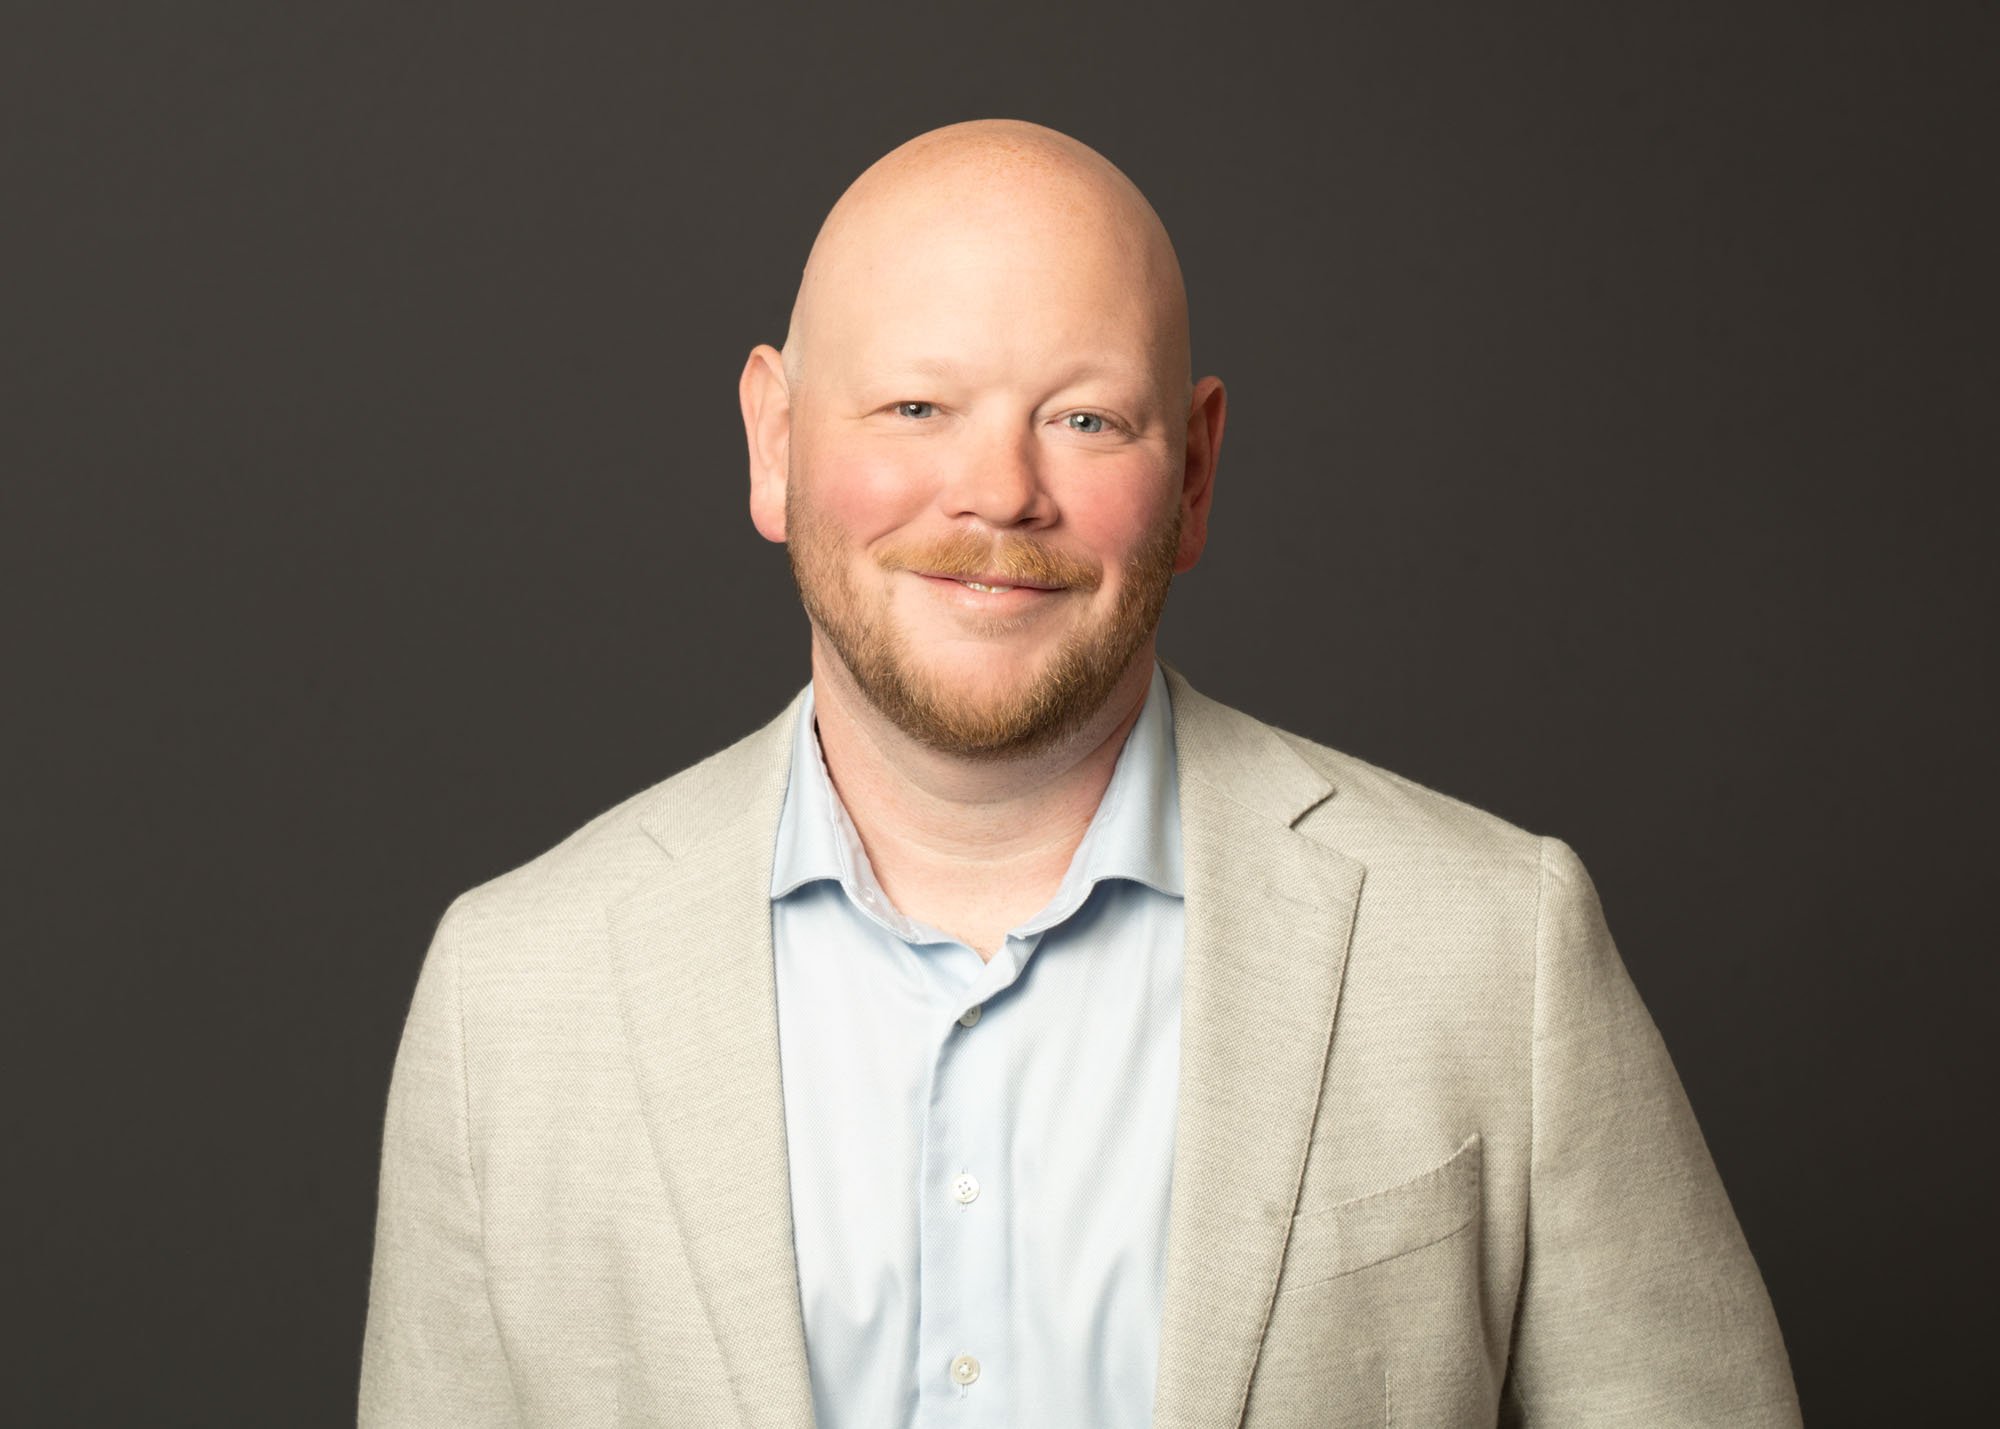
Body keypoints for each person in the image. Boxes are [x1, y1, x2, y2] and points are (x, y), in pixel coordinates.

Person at [359, 118, 1801, 1428]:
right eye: (917, 407)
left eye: (1086, 417)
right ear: (776, 443)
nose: (1000, 492)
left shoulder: (1498, 946)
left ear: (1194, 474)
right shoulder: (509, 999)